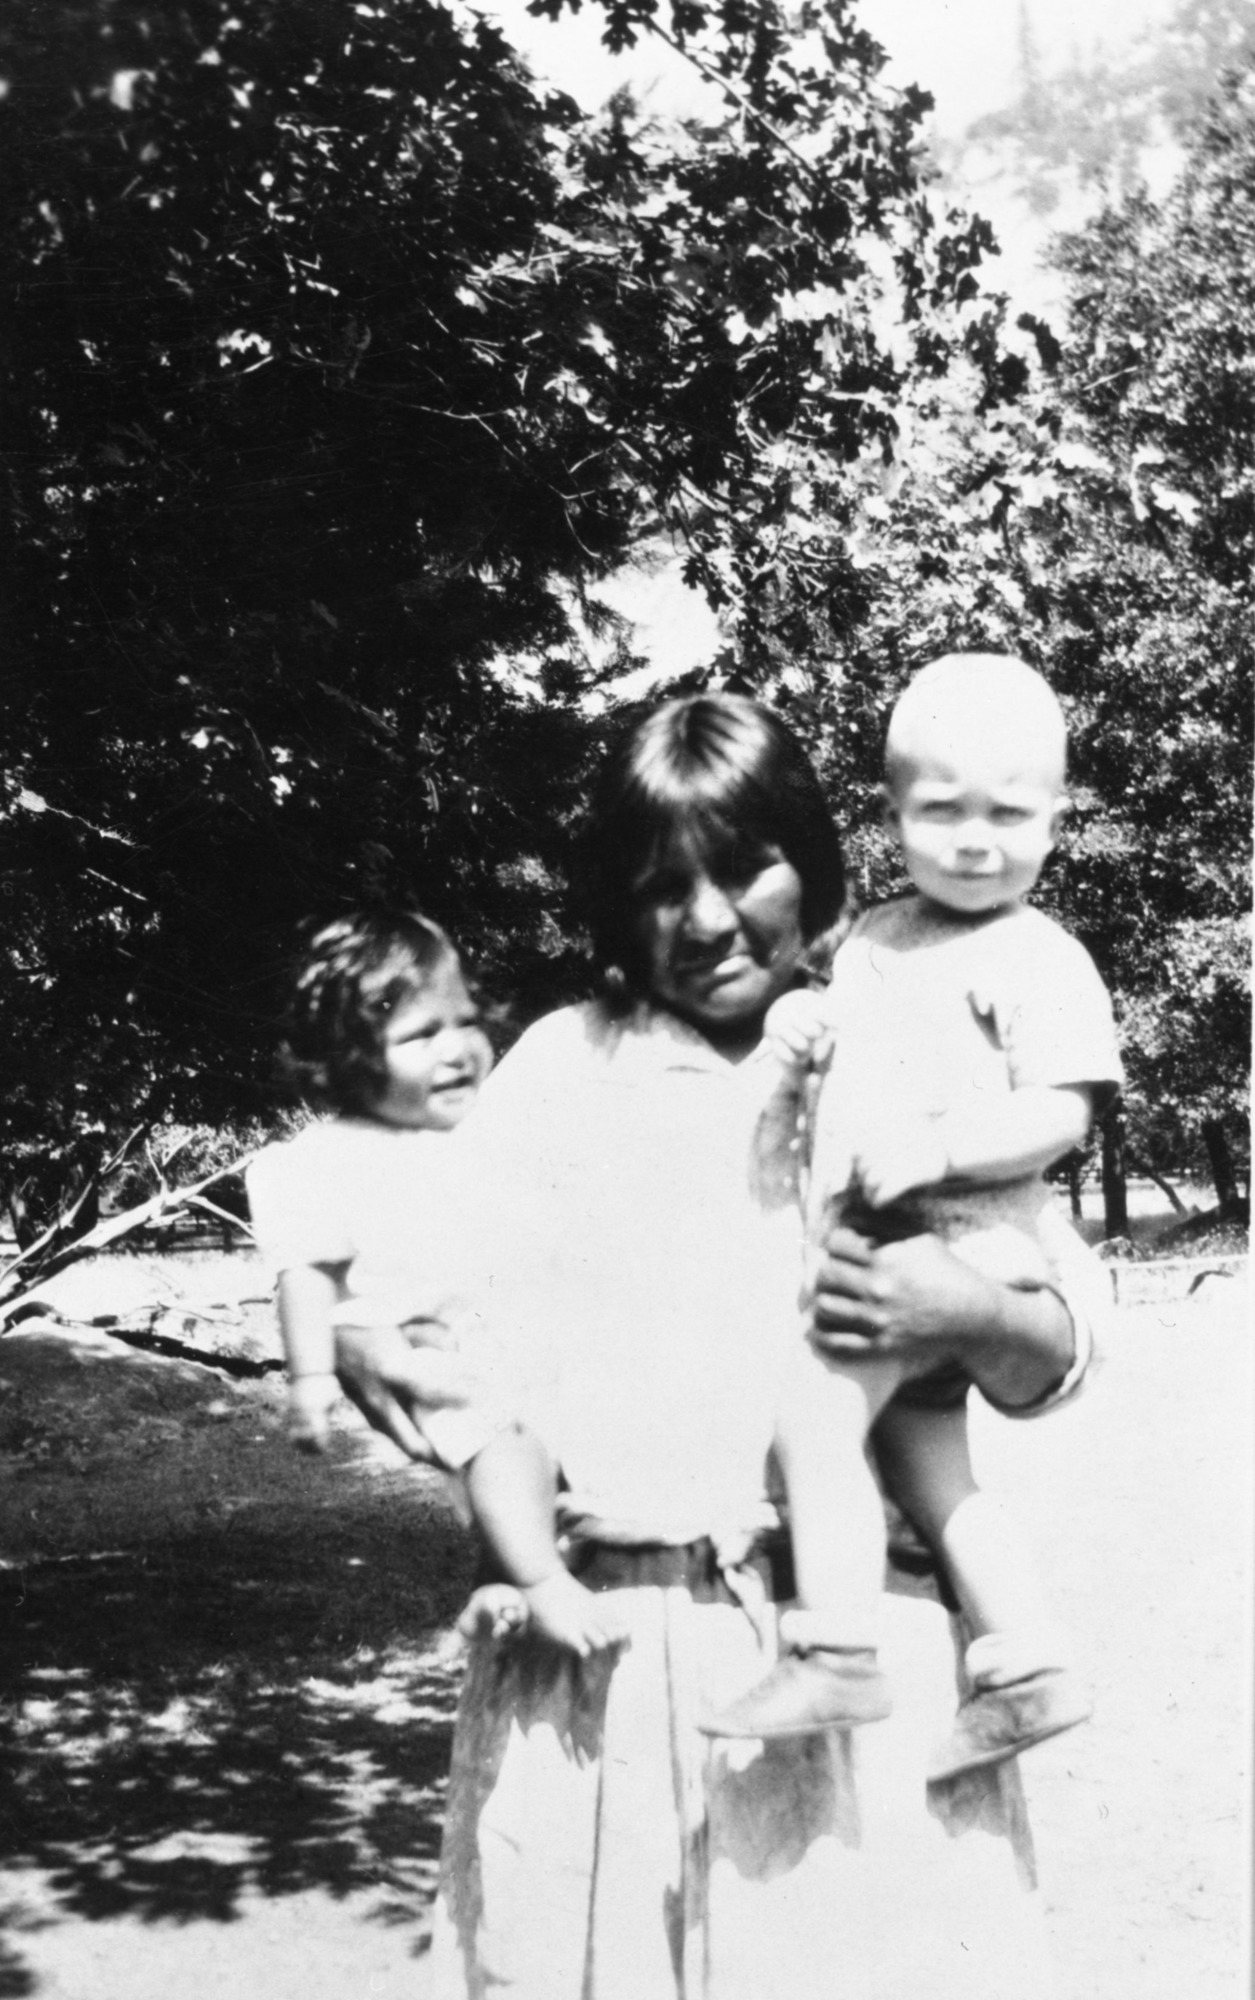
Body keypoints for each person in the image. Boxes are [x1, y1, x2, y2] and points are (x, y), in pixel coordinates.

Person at [332, 694, 1095, 2000]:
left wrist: (956, 1309)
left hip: (852, 1652)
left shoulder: (904, 1053)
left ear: (815, 864)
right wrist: (381, 1349)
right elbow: (422, 1310)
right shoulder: (555, 1073)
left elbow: (1042, 1352)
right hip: (608, 1651)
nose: (700, 919)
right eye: (653, 885)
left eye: (742, 867)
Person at [706, 655, 1120, 1776]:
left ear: (1056, 816)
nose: (975, 840)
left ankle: (836, 1647)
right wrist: (800, 1037)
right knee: (936, 1470)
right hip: (891, 1239)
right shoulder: (874, 939)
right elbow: (836, 1060)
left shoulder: (1039, 954)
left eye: (1008, 813)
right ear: (892, 813)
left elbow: (1062, 1108)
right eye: (941, 812)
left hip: (967, 1244)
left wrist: (940, 1143)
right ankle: (1026, 1661)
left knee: (812, 1412)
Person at [245, 908, 626, 1657]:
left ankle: (497, 1582)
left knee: (538, 1453)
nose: (456, 1050)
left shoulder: (475, 1133)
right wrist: (312, 1375)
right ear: (350, 1060)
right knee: (506, 1440)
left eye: (463, 1021)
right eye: (421, 1036)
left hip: (491, 1334)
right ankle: (544, 1586)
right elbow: (305, 1274)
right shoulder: (329, 1158)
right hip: (426, 1348)